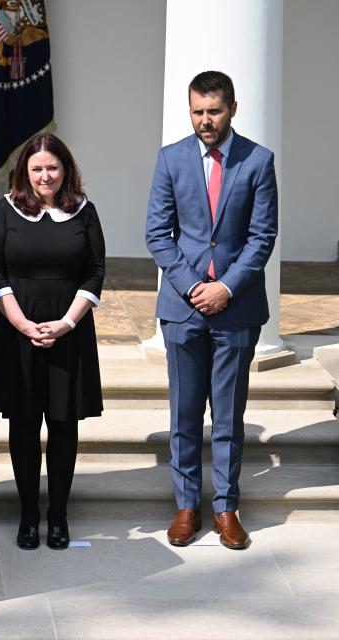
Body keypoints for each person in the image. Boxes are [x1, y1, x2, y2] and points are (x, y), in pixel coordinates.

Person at [146, 70, 277, 550]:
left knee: (228, 415)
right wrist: (191, 286)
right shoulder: (170, 159)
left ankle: (225, 507)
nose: (205, 120)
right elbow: (158, 234)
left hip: (237, 308)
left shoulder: (258, 161)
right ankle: (186, 506)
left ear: (232, 109)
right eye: (198, 111)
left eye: (214, 111)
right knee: (184, 413)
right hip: (183, 310)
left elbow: (262, 237)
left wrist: (225, 287)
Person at [0, 133, 105, 551]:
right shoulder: (7, 209)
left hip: (69, 333)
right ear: (24, 172)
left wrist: (66, 323)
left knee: (64, 424)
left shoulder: (85, 212)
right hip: (17, 333)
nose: (45, 175)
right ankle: (29, 515)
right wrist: (23, 323)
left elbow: (94, 272)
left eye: (52, 167)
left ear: (65, 169)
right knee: (24, 424)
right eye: (36, 169)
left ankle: (59, 516)